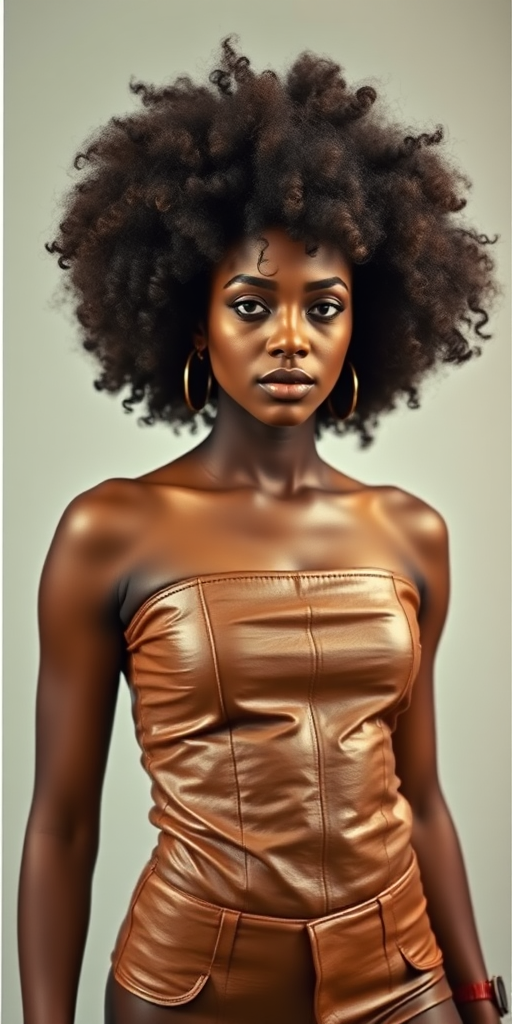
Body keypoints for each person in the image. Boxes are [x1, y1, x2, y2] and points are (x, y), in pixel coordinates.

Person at [18, 35, 506, 1024]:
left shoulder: (410, 533)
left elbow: (419, 795)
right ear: (195, 321)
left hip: (401, 983)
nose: (289, 336)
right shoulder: (108, 531)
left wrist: (477, 998)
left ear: (356, 325)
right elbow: (62, 825)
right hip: (195, 990)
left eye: (321, 307)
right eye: (251, 304)